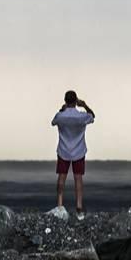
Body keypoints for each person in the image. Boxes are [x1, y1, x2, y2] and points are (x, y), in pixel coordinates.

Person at [52, 90, 95, 219]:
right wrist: (85, 105)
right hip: (78, 151)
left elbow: (53, 122)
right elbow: (93, 116)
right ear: (76, 101)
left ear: (65, 101)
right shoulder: (82, 116)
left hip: (64, 150)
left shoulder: (61, 116)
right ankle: (79, 208)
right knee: (78, 179)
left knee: (61, 178)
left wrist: (61, 109)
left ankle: (60, 206)